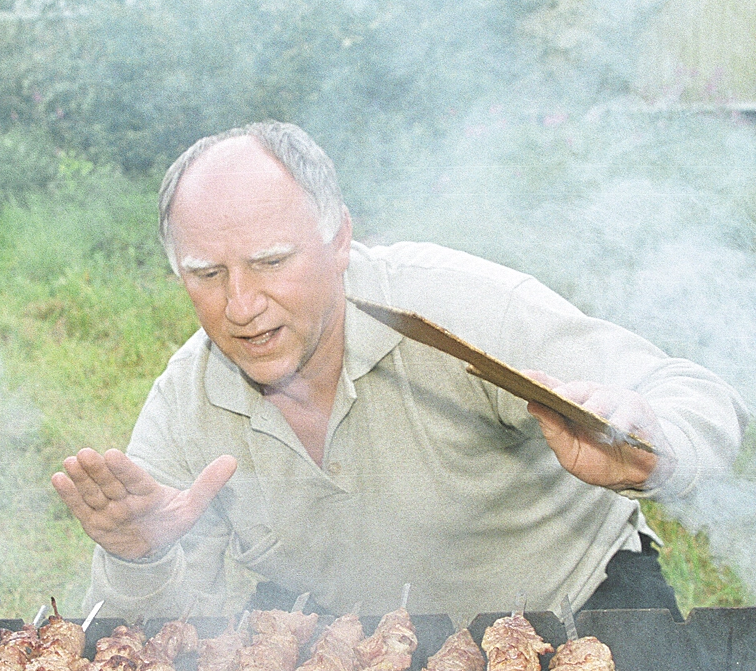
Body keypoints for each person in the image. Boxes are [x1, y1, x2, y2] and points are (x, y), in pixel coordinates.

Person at [52, 121, 748, 624]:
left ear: (339, 239)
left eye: (270, 261)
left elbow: (694, 397)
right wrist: (138, 558)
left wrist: (647, 445)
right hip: (352, 659)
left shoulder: (459, 310)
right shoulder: (187, 406)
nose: (241, 305)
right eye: (207, 274)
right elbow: (156, 651)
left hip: (575, 614)